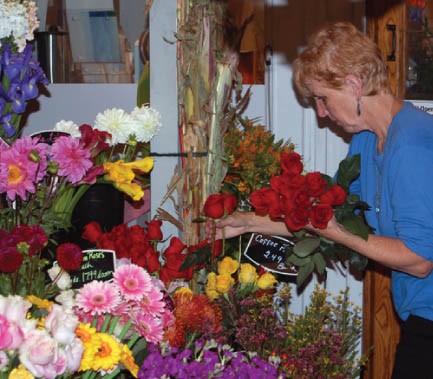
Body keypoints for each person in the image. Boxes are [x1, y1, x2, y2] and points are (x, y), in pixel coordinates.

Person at [207, 21, 433, 377]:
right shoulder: (364, 141)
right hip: (418, 313)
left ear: (354, 85)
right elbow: (328, 216)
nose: (321, 113)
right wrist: (247, 221)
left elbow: (419, 260)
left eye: (323, 98)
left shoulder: (411, 144)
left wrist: (335, 233)